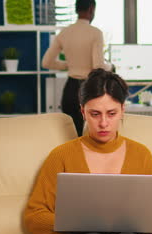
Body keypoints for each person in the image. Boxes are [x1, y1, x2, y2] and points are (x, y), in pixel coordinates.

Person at [24, 68, 152, 234]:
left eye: (111, 113)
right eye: (95, 114)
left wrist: (126, 224)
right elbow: (34, 217)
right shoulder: (61, 156)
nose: (103, 123)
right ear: (83, 112)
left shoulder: (141, 155)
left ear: (122, 110)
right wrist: (74, 223)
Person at [41, 0, 112, 136]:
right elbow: (98, 67)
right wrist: (110, 66)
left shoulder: (65, 32)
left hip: (70, 90)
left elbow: (46, 63)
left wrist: (70, 65)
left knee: (71, 135)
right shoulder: (95, 33)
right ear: (91, 9)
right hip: (88, 90)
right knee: (89, 135)